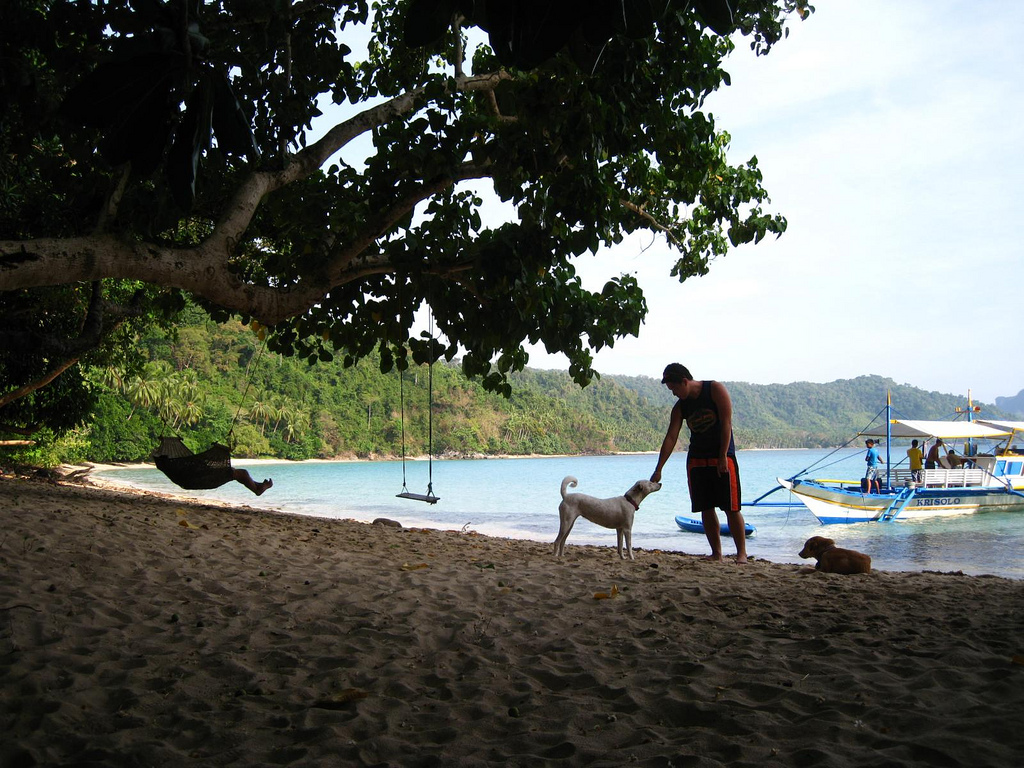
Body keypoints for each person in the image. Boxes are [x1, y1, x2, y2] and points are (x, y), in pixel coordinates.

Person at [651, 363, 746, 563]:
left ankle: (741, 554)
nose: (674, 393)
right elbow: (671, 437)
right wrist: (659, 468)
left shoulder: (714, 389)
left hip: (722, 456)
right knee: (706, 507)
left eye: (674, 388)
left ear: (685, 382)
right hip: (697, 459)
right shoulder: (680, 407)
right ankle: (717, 554)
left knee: (731, 507)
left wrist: (722, 456)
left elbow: (727, 423)